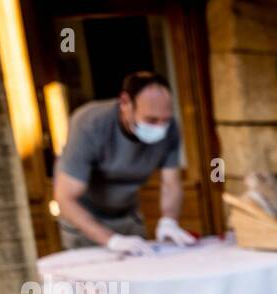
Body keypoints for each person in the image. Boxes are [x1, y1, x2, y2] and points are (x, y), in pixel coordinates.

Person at [53, 70, 195, 255]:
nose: (160, 127)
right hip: (85, 222)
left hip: (128, 214)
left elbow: (171, 183)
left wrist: (169, 221)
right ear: (125, 102)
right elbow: (65, 197)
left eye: (165, 120)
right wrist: (110, 239)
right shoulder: (90, 124)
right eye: (151, 119)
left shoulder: (170, 130)